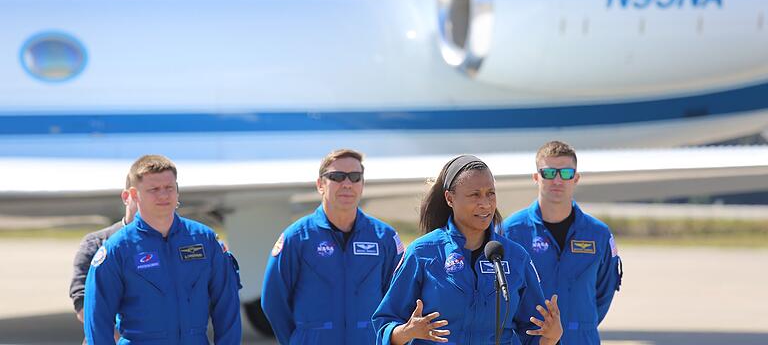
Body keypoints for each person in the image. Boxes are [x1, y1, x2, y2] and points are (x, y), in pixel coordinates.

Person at [372, 154, 562, 345]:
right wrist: (407, 331)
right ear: (449, 198)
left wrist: (551, 337)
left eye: (491, 193)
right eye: (474, 195)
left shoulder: (516, 257)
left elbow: (533, 335)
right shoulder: (422, 253)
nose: (485, 203)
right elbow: (385, 325)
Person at [83, 154, 242, 344]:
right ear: (134, 195)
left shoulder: (204, 240)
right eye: (154, 189)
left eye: (169, 188)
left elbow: (227, 306)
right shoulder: (118, 249)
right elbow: (97, 320)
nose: (164, 195)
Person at [261, 148, 404, 345]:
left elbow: (399, 298)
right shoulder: (297, 237)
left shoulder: (384, 237)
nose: (347, 184)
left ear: (362, 185)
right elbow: (273, 301)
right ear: (320, 184)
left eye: (355, 177)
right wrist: (298, 340)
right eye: (337, 176)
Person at [502, 141, 622, 345]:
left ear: (576, 178)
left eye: (565, 173)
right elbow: (502, 293)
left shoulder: (598, 234)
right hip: (530, 340)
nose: (557, 180)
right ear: (536, 177)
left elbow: (604, 291)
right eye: (549, 173)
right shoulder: (511, 231)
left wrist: (578, 324)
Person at [69, 175, 138, 344]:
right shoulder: (97, 243)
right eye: (142, 194)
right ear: (127, 197)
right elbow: (82, 302)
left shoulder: (173, 243)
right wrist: (120, 339)